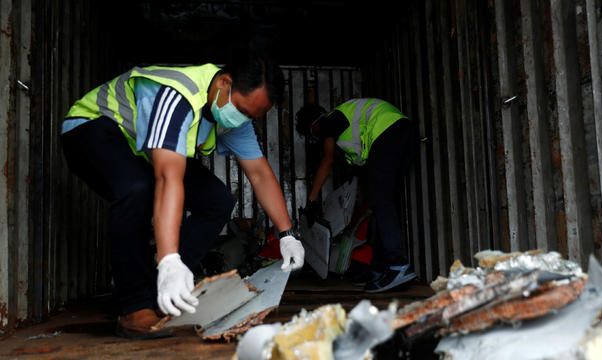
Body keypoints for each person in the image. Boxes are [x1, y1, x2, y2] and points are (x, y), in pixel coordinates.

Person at [62, 52, 304, 339]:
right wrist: (168, 260)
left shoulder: (233, 115)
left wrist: (287, 233)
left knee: (217, 201)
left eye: (251, 116)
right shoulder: (179, 94)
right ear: (225, 82)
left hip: (142, 152)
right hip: (92, 129)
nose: (242, 120)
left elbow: (260, 173)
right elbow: (167, 177)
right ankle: (134, 305)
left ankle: (164, 293)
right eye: (242, 110)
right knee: (137, 188)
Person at [296, 98, 417, 293]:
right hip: (403, 133)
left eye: (313, 134)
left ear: (315, 125)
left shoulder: (330, 121)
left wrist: (312, 200)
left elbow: (326, 161)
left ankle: (397, 264)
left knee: (381, 201)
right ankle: (380, 267)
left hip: (387, 132)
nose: (317, 138)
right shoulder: (347, 131)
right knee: (380, 203)